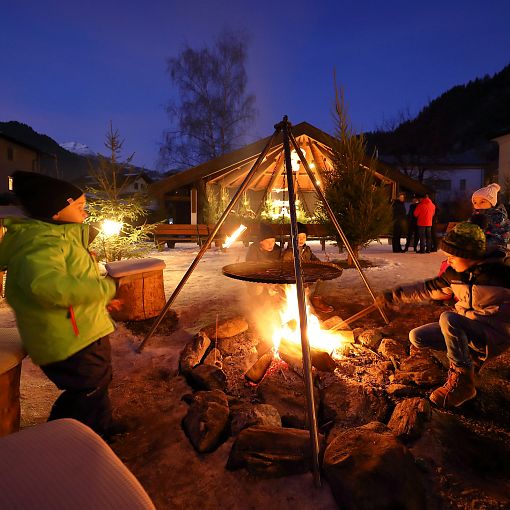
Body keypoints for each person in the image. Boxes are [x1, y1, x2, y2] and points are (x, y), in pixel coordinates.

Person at [0, 171, 120, 437]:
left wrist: (96, 303)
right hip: (65, 338)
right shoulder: (40, 244)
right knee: (87, 387)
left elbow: (73, 280)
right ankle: (59, 437)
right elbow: (46, 287)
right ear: (54, 211)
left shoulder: (62, 237)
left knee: (99, 381)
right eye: (79, 207)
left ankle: (101, 427)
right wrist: (101, 289)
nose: (85, 213)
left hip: (83, 329)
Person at [378, 222, 510, 409]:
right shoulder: (454, 275)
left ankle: (464, 383)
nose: (448, 261)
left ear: (469, 255)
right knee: (417, 337)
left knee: (449, 318)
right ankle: (467, 357)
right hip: (467, 330)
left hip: (492, 336)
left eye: (452, 256)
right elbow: (426, 289)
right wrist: (395, 295)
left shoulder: (502, 274)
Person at [282, 222, 334, 313]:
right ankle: (299, 305)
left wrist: (322, 265)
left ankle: (316, 299)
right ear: (293, 238)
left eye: (304, 237)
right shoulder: (289, 253)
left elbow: (315, 260)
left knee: (322, 277)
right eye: (299, 237)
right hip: (296, 281)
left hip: (307, 277)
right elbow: (287, 270)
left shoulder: (307, 250)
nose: (301, 240)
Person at [470, 183, 510, 251]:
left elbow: (500, 237)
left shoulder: (498, 217)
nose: (478, 205)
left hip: (495, 251)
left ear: (492, 203)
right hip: (479, 248)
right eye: (475, 202)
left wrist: (481, 245)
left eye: (482, 202)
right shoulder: (476, 215)